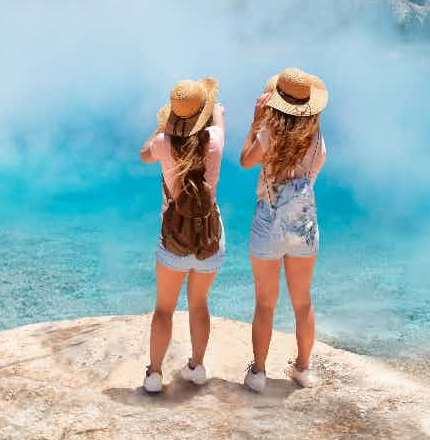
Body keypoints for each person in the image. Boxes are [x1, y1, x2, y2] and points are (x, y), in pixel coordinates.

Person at [238, 67, 328, 392]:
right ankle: (303, 369)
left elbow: (246, 161)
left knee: (265, 302)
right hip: (303, 223)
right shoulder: (315, 136)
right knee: (302, 302)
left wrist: (255, 122)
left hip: (268, 220)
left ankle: (259, 372)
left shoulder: (269, 133)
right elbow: (317, 166)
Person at [139, 78, 226, 394]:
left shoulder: (163, 143)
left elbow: (143, 154)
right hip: (208, 237)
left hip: (172, 240)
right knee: (199, 303)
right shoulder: (215, 140)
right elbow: (219, 118)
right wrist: (214, 109)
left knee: (164, 309)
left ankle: (154, 373)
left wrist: (161, 125)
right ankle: (197, 366)